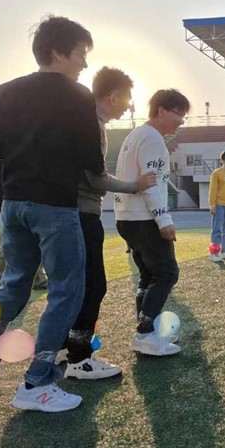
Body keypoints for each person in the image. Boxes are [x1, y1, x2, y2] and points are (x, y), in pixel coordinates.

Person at [0, 16, 103, 412]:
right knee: (67, 289)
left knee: (13, 286)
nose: (84, 63)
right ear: (58, 52)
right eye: (81, 54)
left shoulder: (5, 90)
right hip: (54, 204)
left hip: (14, 204)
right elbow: (92, 161)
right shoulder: (79, 96)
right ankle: (37, 383)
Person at [61, 67, 157, 379]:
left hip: (65, 212)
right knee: (92, 285)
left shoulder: (76, 119)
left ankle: (64, 347)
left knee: (70, 285)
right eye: (127, 100)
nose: (128, 108)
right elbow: (96, 179)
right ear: (112, 96)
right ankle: (79, 357)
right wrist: (135, 185)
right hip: (81, 213)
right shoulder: (91, 124)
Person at [114, 89, 190, 357]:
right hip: (144, 218)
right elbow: (151, 183)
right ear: (162, 110)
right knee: (167, 273)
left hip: (127, 217)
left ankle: (146, 331)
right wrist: (163, 219)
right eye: (179, 114)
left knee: (148, 275)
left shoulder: (135, 135)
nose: (181, 121)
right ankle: (145, 333)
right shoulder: (152, 138)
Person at [0, 160, 49, 291]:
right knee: (8, 243)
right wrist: (3, 205)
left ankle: (38, 278)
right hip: (17, 203)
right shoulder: (5, 156)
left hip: (23, 204)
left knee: (34, 242)